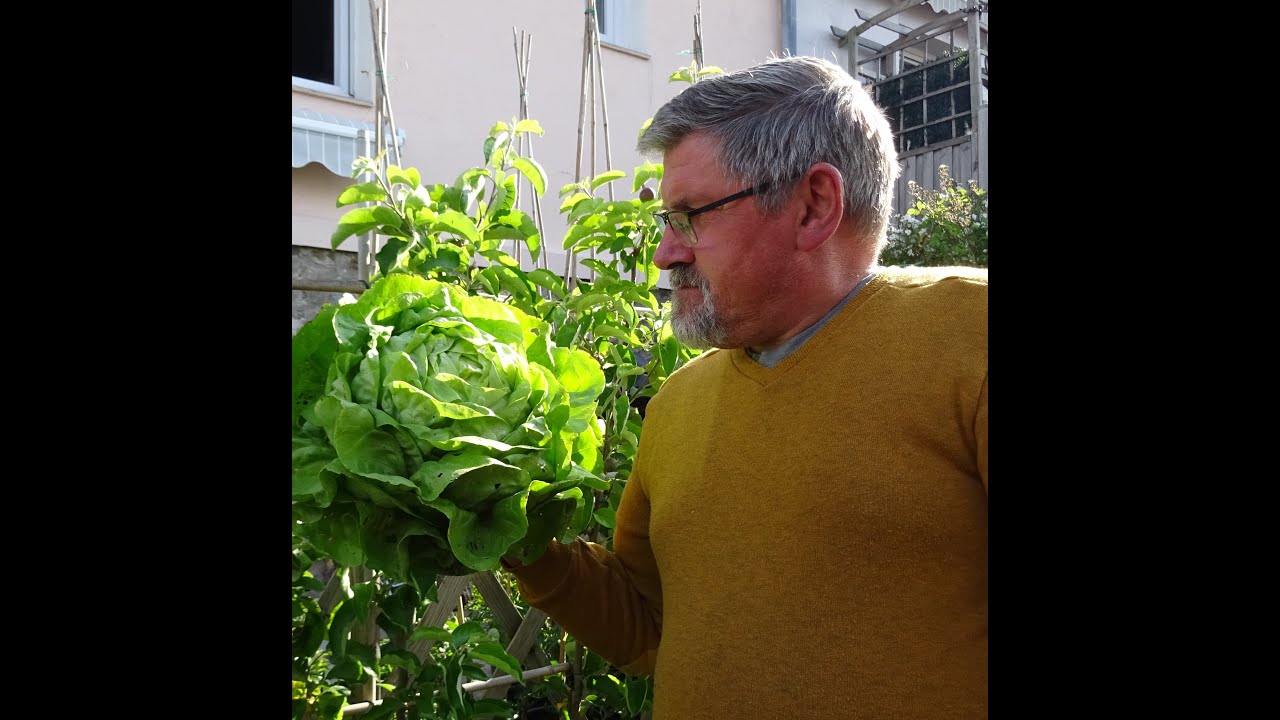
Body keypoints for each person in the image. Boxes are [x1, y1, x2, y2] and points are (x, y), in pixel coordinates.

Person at [502, 55, 987, 719]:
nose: (666, 253)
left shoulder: (970, 336)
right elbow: (650, 629)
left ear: (813, 205)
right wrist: (507, 526)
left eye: (691, 215)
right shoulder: (677, 402)